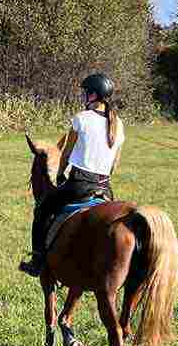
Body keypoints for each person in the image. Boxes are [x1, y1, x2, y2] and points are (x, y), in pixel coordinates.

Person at [20, 72, 124, 276]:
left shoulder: (81, 119)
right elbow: (115, 164)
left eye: (86, 93)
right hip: (104, 187)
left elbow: (66, 154)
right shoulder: (118, 124)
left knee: (42, 209)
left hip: (79, 184)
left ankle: (37, 259)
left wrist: (60, 176)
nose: (84, 96)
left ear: (93, 95)